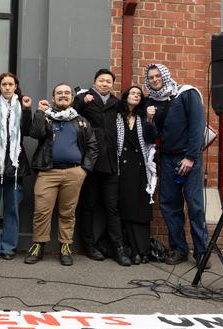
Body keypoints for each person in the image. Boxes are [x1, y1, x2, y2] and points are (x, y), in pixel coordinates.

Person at [26, 83, 98, 266]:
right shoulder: (46, 116)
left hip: (74, 173)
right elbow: (35, 133)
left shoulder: (81, 120)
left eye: (67, 93)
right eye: (59, 93)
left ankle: (65, 246)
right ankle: (38, 246)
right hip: (48, 172)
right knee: (42, 211)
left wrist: (84, 169)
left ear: (72, 98)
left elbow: (92, 146)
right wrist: (40, 113)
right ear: (53, 97)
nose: (63, 95)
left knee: (68, 212)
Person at [144, 63, 208, 266]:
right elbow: (150, 137)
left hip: (188, 158)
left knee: (195, 205)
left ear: (165, 75)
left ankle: (202, 252)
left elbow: (197, 128)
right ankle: (179, 249)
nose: (155, 80)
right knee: (170, 205)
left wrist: (190, 157)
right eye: (151, 77)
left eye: (157, 76)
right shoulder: (151, 102)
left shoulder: (187, 94)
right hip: (167, 159)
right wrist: (149, 119)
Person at [74, 68, 131, 266]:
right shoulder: (86, 98)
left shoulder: (116, 103)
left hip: (112, 162)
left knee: (112, 207)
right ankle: (89, 246)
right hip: (91, 161)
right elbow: (72, 111)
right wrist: (83, 101)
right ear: (95, 81)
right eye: (101, 80)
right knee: (88, 205)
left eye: (108, 81)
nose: (105, 84)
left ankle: (118, 248)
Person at [0, 72, 32, 260]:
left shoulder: (22, 107)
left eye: (10, 84)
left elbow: (28, 131)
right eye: (3, 84)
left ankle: (9, 247)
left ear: (15, 87)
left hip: (15, 165)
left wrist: (28, 110)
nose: (7, 87)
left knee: (12, 208)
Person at [116, 86, 157, 264]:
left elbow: (150, 139)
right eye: (133, 93)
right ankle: (135, 251)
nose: (136, 96)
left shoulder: (142, 117)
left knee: (141, 207)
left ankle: (143, 250)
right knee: (127, 206)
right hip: (122, 167)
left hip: (141, 167)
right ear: (125, 96)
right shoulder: (117, 116)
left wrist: (149, 119)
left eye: (139, 94)